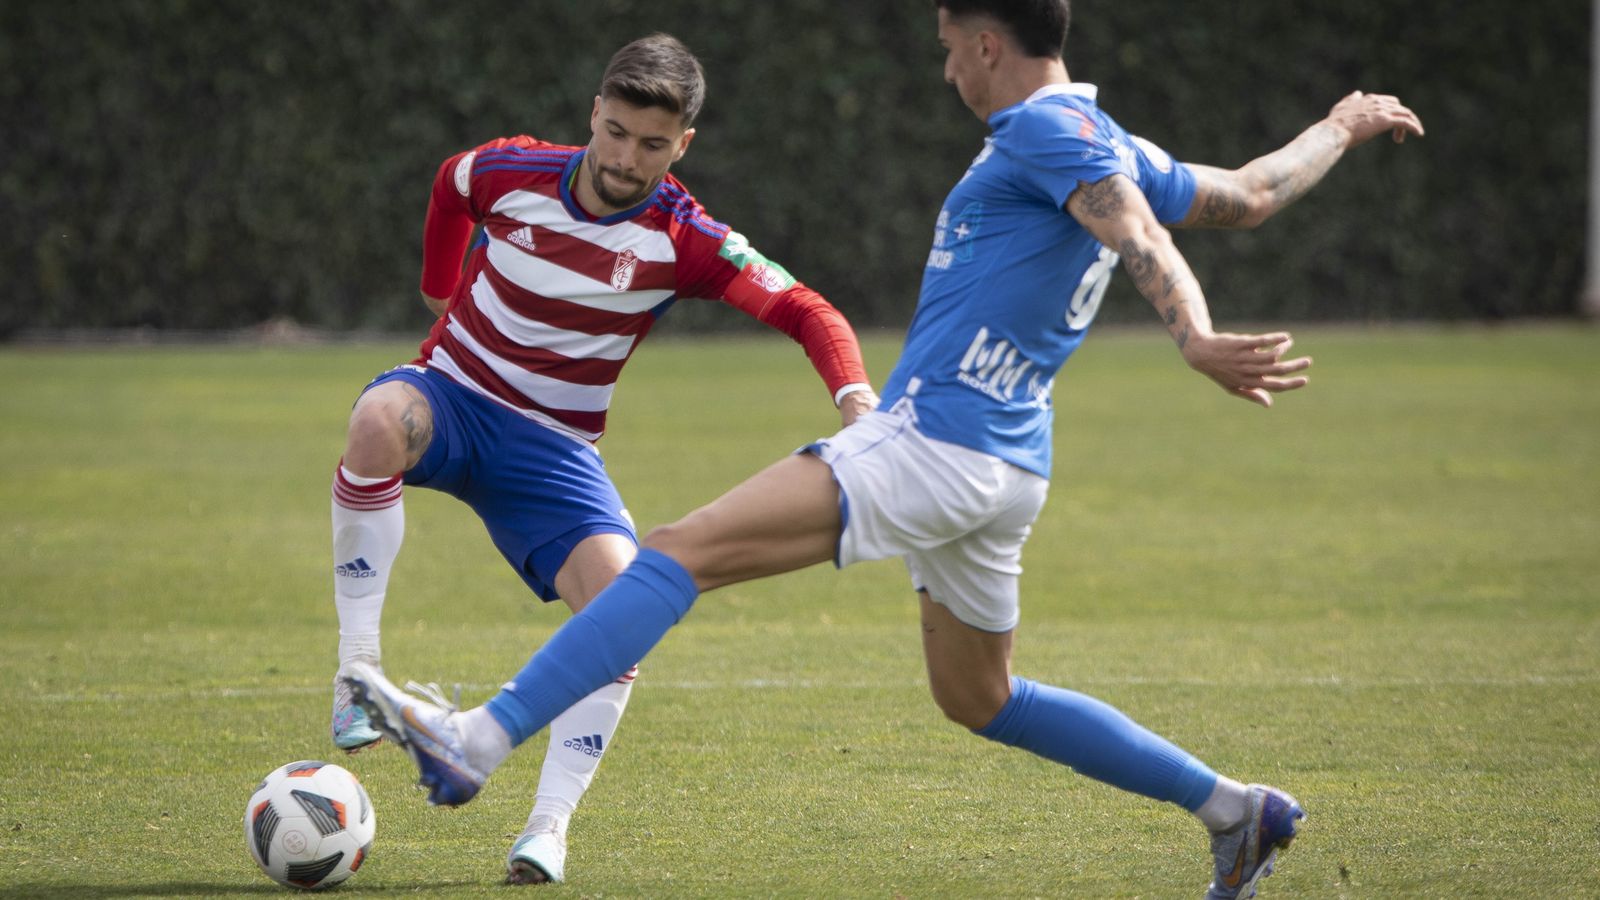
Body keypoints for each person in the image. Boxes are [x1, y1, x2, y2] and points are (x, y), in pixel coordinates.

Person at [343, 2, 1424, 895]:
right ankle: (1235, 812)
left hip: (935, 441)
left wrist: (1189, 334)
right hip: (1010, 468)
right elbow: (1249, 193)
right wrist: (1339, 124)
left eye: (950, 42)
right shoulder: (1111, 141)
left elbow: (1137, 234)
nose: (946, 62)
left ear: (987, 42)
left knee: (674, 554)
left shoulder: (1053, 134)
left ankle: (476, 743)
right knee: (980, 699)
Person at [327, 33, 876, 886]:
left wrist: (857, 403)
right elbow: (450, 183)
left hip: (553, 453)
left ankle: (547, 828)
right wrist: (439, 286)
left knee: (625, 608)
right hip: (453, 397)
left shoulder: (684, 237)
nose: (626, 158)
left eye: (653, 144)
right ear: (595, 112)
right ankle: (355, 675)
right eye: (616, 132)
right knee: (373, 422)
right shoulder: (512, 171)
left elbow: (809, 311)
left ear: (683, 144)